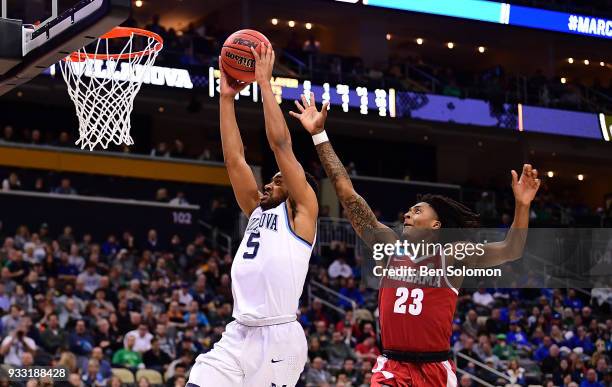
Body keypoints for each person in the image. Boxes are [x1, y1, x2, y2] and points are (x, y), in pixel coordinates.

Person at [290, 93, 541, 387]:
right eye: (408, 210)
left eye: (416, 211)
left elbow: (512, 249)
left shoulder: (453, 256)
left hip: (435, 369)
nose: (407, 214)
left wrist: (522, 205)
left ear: (436, 225)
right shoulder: (389, 248)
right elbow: (347, 193)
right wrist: (320, 135)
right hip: (392, 367)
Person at [187, 44, 318, 387]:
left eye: (278, 180)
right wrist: (226, 98)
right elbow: (234, 160)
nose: (269, 185)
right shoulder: (257, 210)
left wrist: (264, 83)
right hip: (238, 332)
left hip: (278, 337)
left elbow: (280, 146)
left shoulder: (301, 214)